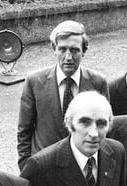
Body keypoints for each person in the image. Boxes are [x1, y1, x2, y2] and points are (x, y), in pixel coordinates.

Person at [17, 20, 109, 169]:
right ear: (54, 49)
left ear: (84, 51)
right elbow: (24, 131)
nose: (68, 57)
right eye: (62, 49)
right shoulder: (34, 81)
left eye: (74, 50)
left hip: (82, 167)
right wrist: (26, 166)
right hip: (45, 167)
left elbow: (104, 126)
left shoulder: (98, 82)